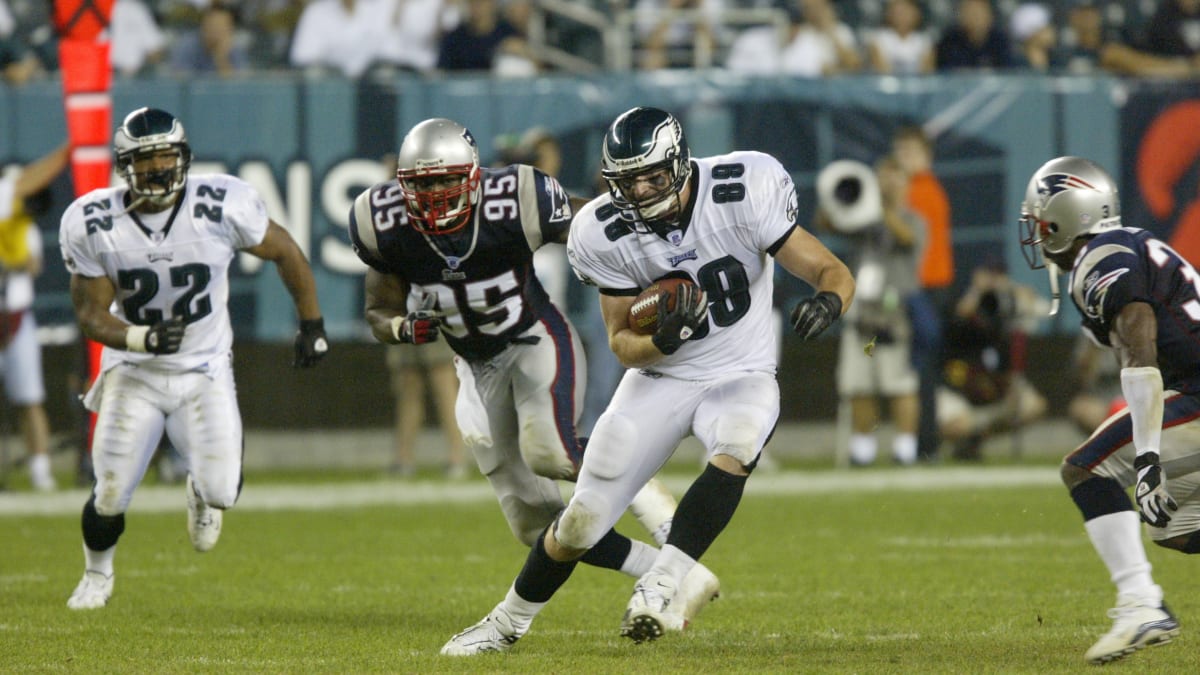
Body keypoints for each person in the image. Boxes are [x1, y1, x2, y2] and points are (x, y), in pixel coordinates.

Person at [439, 106, 855, 654]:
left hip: (740, 370)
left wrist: (828, 303)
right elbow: (621, 341)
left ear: (680, 164)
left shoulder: (743, 188)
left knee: (739, 441)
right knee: (580, 523)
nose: (641, 191)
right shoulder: (602, 230)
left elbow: (834, 272)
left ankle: (661, 584)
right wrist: (663, 338)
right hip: (660, 377)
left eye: (653, 176)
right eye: (627, 181)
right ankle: (505, 623)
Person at [349, 117, 719, 643]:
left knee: (552, 454)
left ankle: (662, 521)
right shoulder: (381, 221)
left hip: (533, 340)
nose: (433, 195)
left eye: (444, 180)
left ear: (474, 178)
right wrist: (402, 327)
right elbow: (377, 308)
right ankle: (675, 570)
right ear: (402, 185)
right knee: (533, 525)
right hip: (472, 368)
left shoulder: (518, 197)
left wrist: (651, 286)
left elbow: (596, 230)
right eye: (422, 184)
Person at [59, 107, 328, 610]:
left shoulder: (221, 203)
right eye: (145, 158)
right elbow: (91, 315)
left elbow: (286, 251)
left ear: (183, 157)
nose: (158, 167)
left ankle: (201, 492)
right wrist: (140, 339)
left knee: (224, 490)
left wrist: (311, 325)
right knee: (111, 491)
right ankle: (97, 574)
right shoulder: (95, 221)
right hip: (135, 371)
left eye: (165, 155)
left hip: (203, 369)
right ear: (125, 167)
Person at [1019, 156, 1196, 664]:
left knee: (1085, 468)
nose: (1035, 231)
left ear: (1064, 217)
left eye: (1039, 219)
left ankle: (1141, 604)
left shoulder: (1100, 256)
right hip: (1193, 385)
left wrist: (1146, 458)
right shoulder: (1123, 245)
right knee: (1175, 527)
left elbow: (1138, 329)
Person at [820, 157, 924, 466]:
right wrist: (845, 198)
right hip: (861, 313)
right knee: (859, 383)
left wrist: (880, 208)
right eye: (883, 178)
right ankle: (862, 449)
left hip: (894, 312)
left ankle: (905, 448)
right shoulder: (861, 218)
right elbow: (825, 222)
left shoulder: (913, 218)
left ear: (904, 184)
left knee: (899, 384)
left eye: (894, 178)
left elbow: (908, 238)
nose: (887, 185)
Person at [0, 140, 70, 490]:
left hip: (15, 316)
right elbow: (23, 182)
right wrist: (68, 150)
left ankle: (40, 470)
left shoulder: (19, 224)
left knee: (30, 397)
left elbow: (32, 263)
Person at [936, 262, 1048, 460]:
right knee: (957, 424)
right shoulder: (960, 303)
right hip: (960, 392)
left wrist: (1014, 294)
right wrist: (978, 291)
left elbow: (1042, 309)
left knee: (1033, 405)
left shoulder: (1004, 318)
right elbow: (957, 319)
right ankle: (961, 441)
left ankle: (975, 440)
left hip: (992, 396)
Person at [893, 125, 951, 462]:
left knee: (922, 371)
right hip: (920, 288)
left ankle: (924, 443)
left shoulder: (923, 190)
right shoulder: (921, 188)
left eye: (910, 151)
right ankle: (920, 443)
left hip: (925, 289)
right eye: (900, 151)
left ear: (926, 157)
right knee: (916, 371)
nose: (904, 158)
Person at [168, 2, 250, 76]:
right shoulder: (186, 45)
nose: (216, 31)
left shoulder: (234, 48)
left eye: (221, 27)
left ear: (230, 29)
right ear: (203, 26)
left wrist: (221, 58)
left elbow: (239, 86)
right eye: (212, 25)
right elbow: (181, 82)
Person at [935, 0, 1014, 71]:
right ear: (961, 14)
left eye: (979, 12)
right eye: (970, 11)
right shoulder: (950, 39)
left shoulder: (1000, 40)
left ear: (989, 15)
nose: (975, 16)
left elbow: (1009, 70)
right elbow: (943, 70)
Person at [866, 0, 935, 75]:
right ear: (889, 14)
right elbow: (882, 70)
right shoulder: (878, 39)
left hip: (916, 84)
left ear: (916, 14)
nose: (902, 16)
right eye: (898, 12)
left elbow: (927, 72)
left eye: (906, 12)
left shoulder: (924, 41)